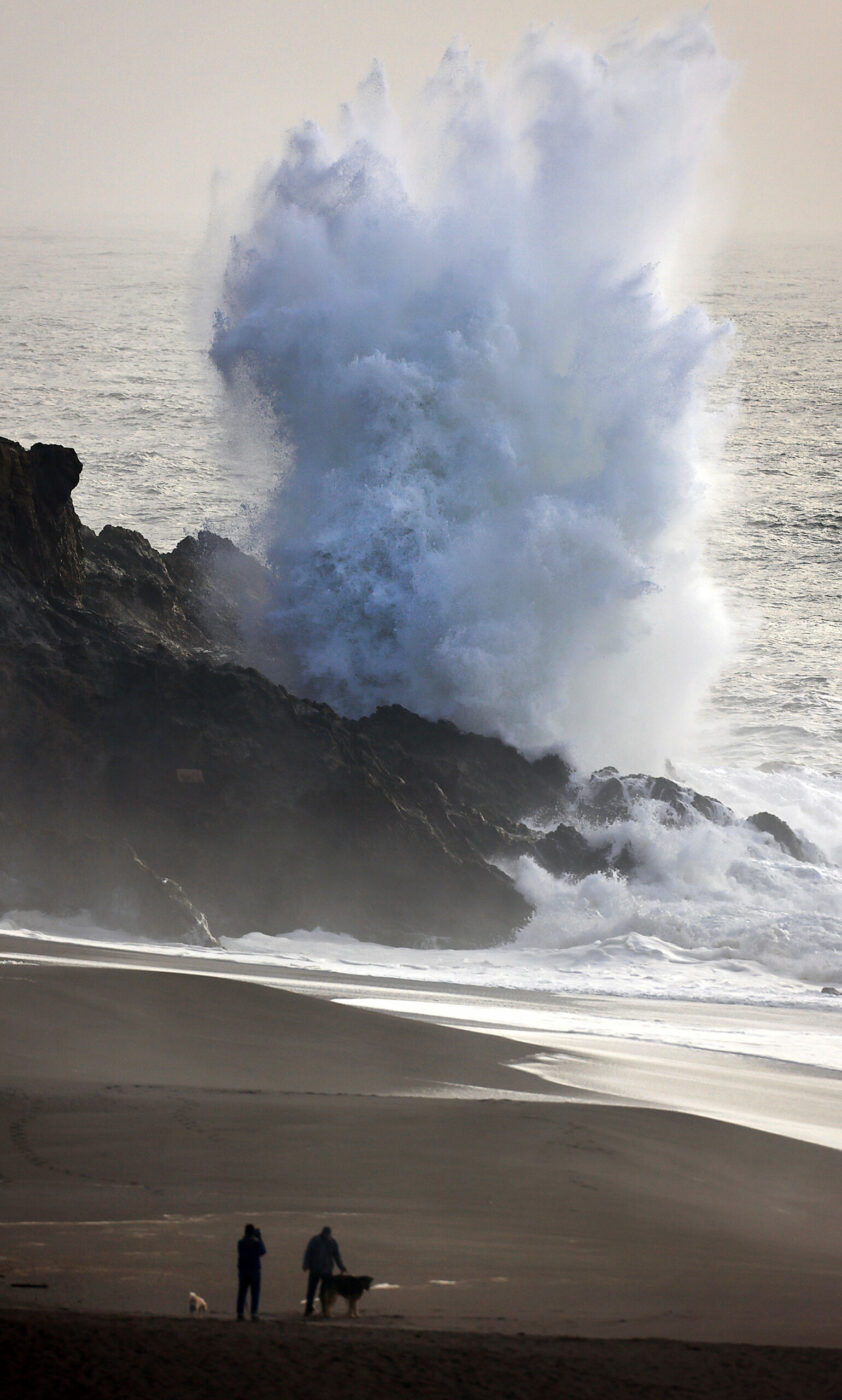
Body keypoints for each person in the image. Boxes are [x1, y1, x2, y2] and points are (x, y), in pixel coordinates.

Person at [302, 1225, 345, 1317]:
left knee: (324, 1292)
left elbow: (337, 1256)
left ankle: (324, 1310)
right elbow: (308, 1253)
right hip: (315, 1269)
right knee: (311, 1291)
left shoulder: (333, 1242)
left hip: (326, 1271)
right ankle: (308, 1309)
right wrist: (306, 1265)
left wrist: (341, 1267)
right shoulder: (315, 1240)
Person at [236, 1223, 266, 1320]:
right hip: (254, 1270)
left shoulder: (241, 1243)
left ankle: (240, 1313)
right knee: (255, 1293)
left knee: (242, 1292)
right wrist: (259, 1237)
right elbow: (263, 1251)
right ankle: (253, 1313)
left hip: (243, 1270)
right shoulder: (256, 1243)